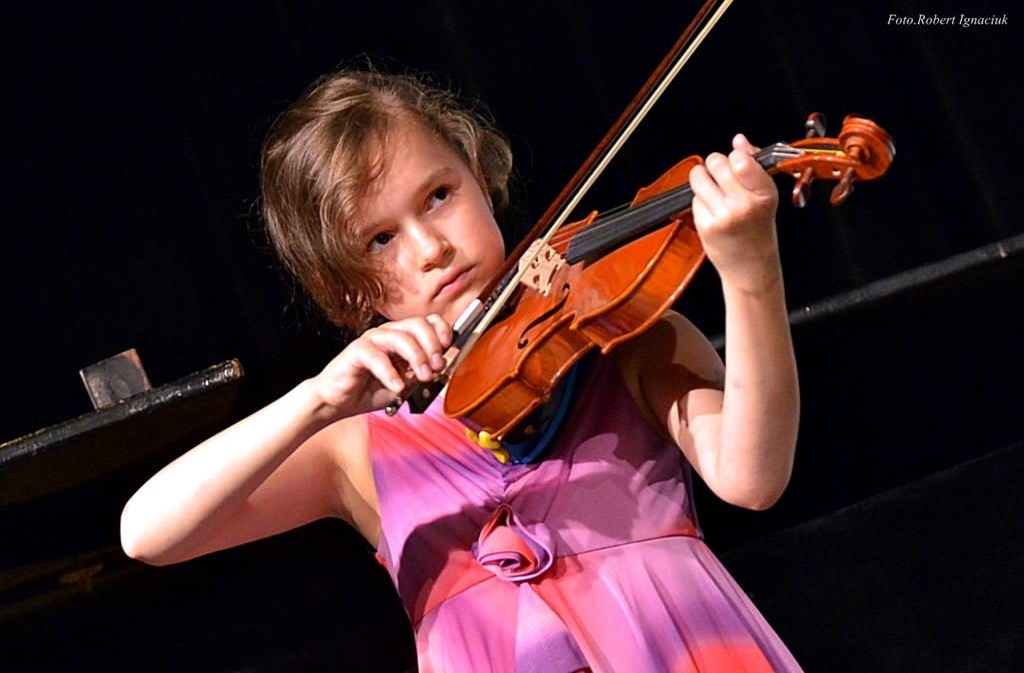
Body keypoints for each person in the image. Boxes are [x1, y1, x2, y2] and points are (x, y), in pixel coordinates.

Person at [121, 69, 802, 672]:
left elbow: (751, 477)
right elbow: (147, 533)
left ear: (480, 175)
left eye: (439, 196)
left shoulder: (624, 341)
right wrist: (318, 400)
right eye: (379, 239)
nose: (430, 248)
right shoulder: (355, 447)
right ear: (348, 292)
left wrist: (752, 274)